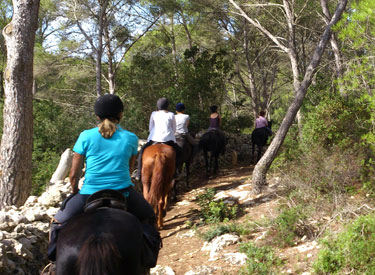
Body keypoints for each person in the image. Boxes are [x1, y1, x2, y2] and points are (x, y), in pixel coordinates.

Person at [46, 94, 161, 270]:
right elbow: (129, 170)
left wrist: (75, 189)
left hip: (88, 194)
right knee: (149, 217)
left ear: (97, 116)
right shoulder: (130, 138)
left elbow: (73, 173)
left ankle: (54, 260)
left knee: (57, 223)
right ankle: (149, 259)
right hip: (124, 193)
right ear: (121, 114)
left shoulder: (85, 136)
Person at [135, 98, 181, 181]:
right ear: (167, 106)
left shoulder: (154, 114)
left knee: (142, 151)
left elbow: (150, 127)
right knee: (178, 152)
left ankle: (138, 173)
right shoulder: (171, 114)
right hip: (168, 139)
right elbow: (174, 129)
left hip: (154, 138)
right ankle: (175, 172)